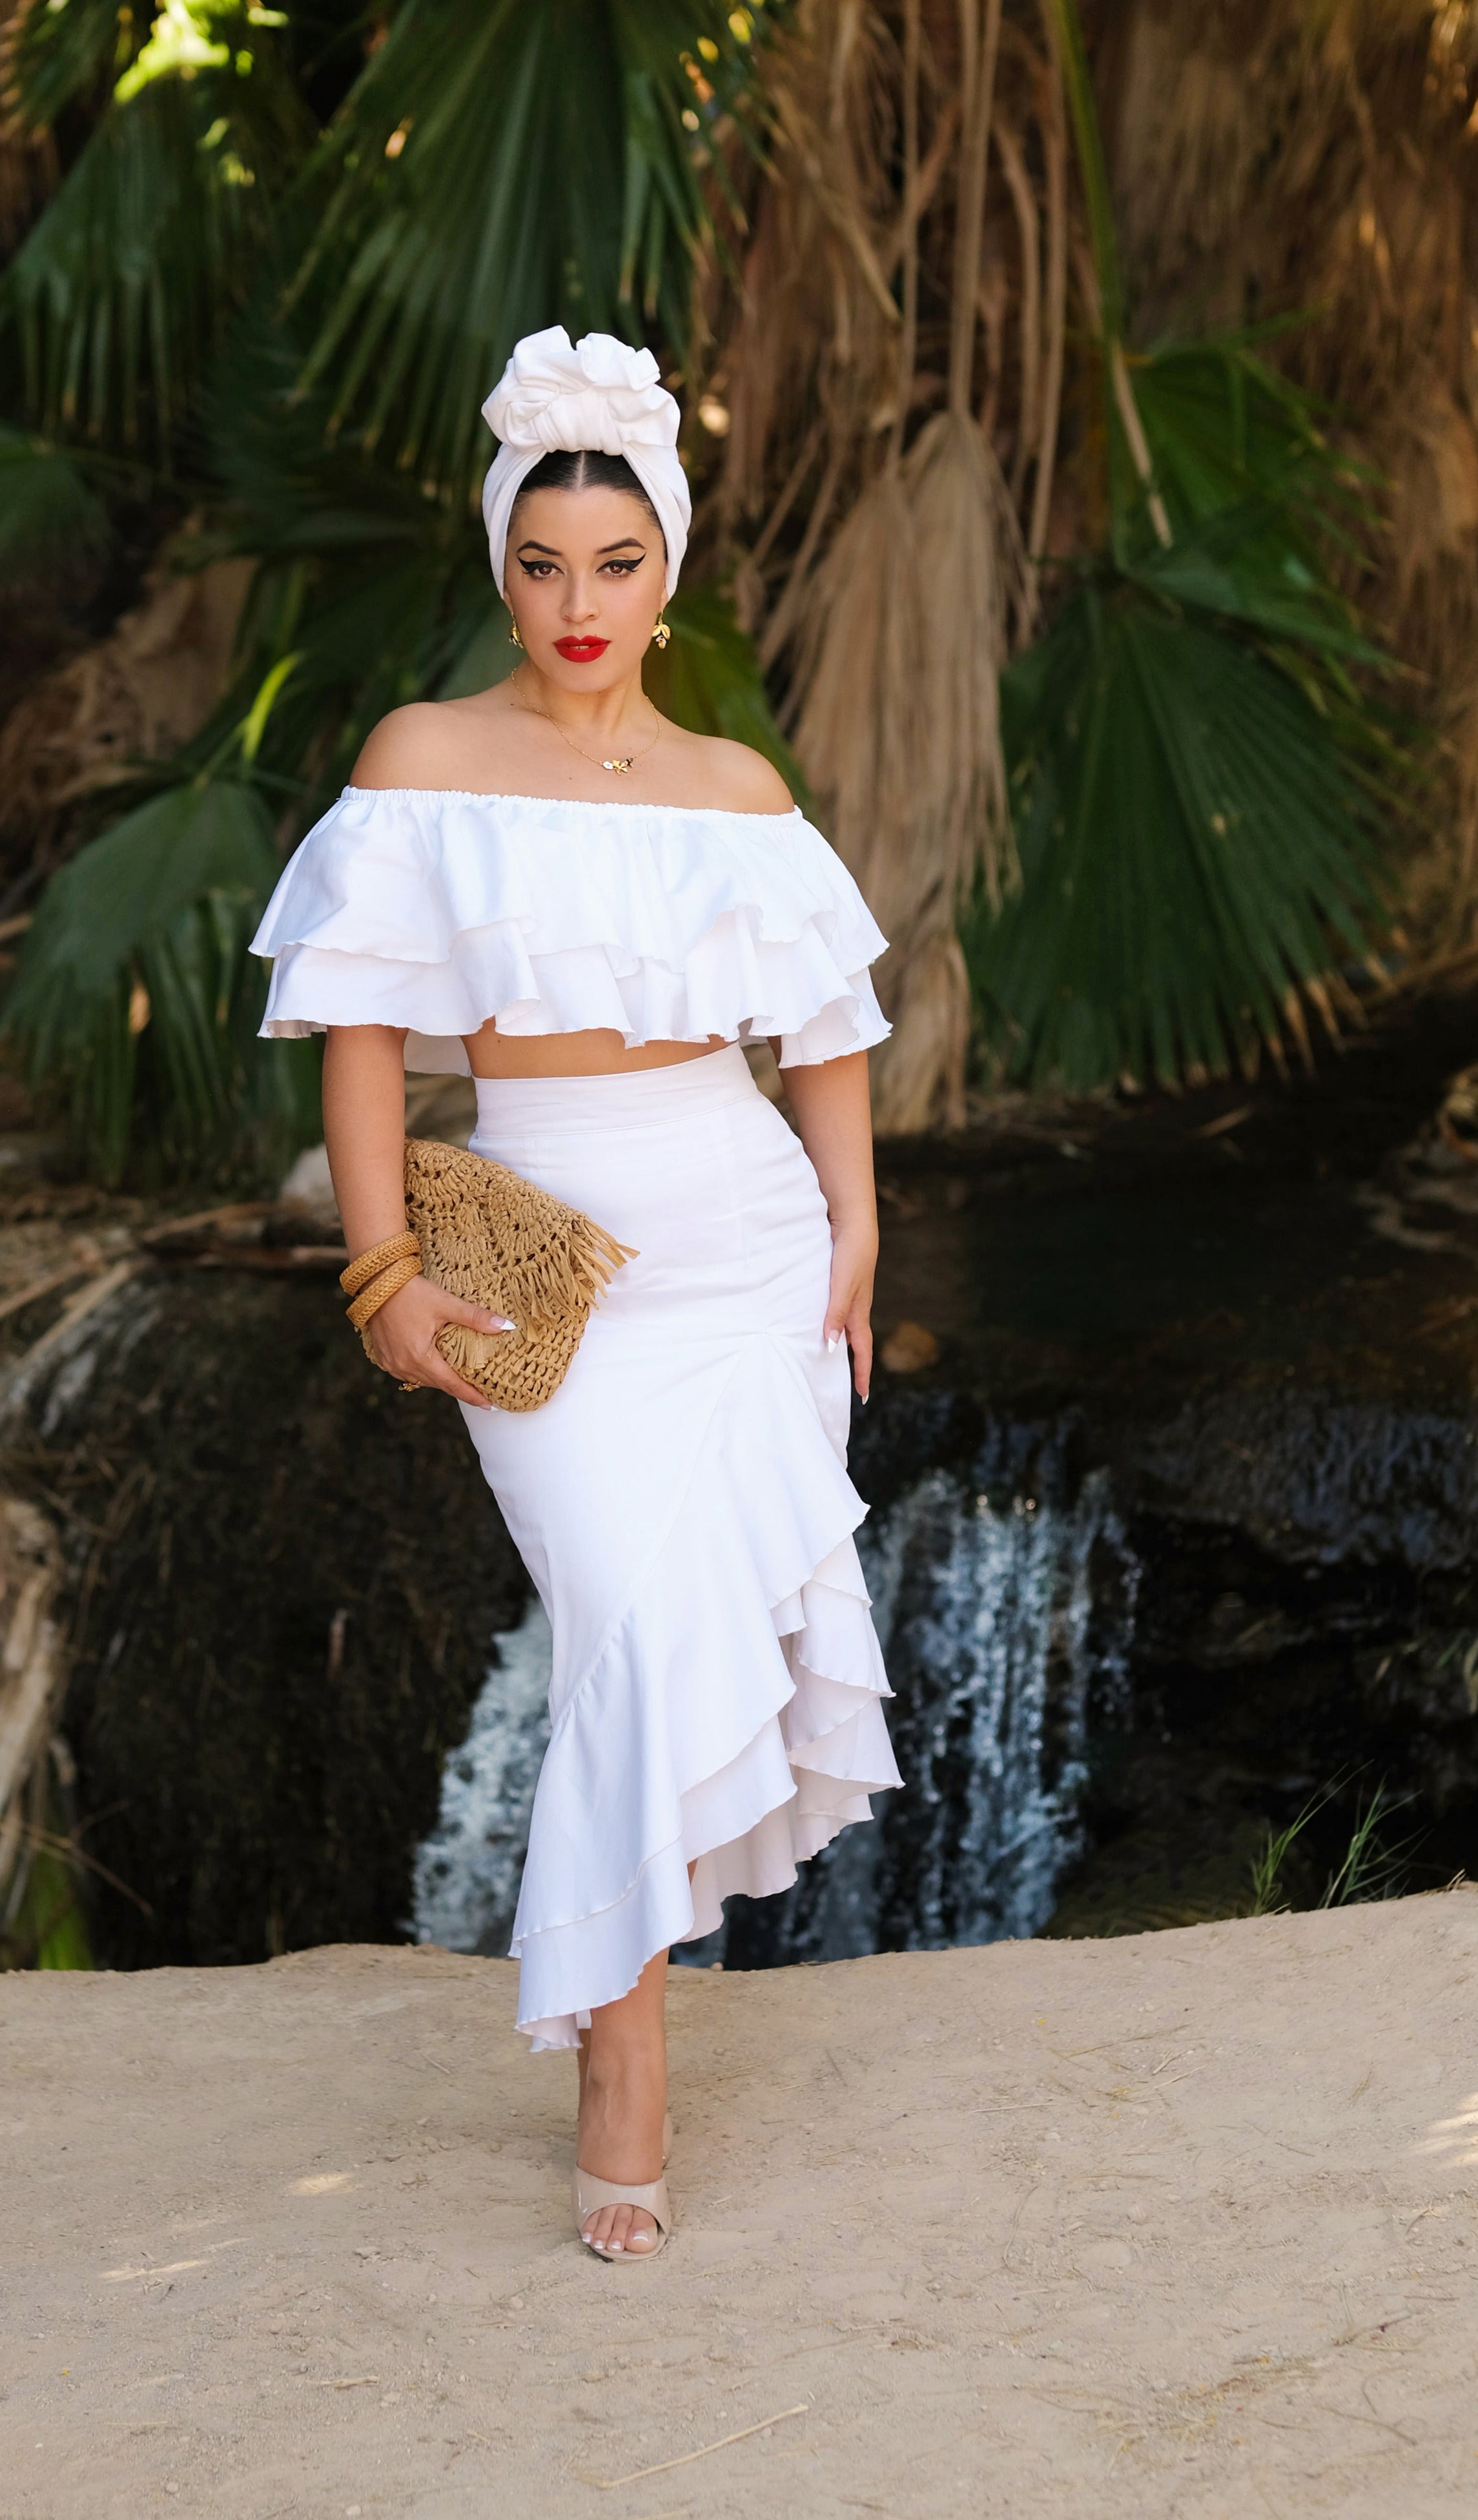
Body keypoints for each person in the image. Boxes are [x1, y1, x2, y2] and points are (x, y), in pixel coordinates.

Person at [251, 325, 902, 2262]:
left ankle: (630, 2043)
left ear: (668, 567)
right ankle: (624, 2047)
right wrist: (381, 1268)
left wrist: (858, 1229)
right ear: (501, 568)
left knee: (685, 1622)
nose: (578, 604)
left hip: (751, 1244)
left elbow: (821, 1029)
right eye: (542, 566)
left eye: (615, 564)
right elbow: (364, 1040)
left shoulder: (735, 788)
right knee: (623, 1618)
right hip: (551, 1253)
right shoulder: (424, 762)